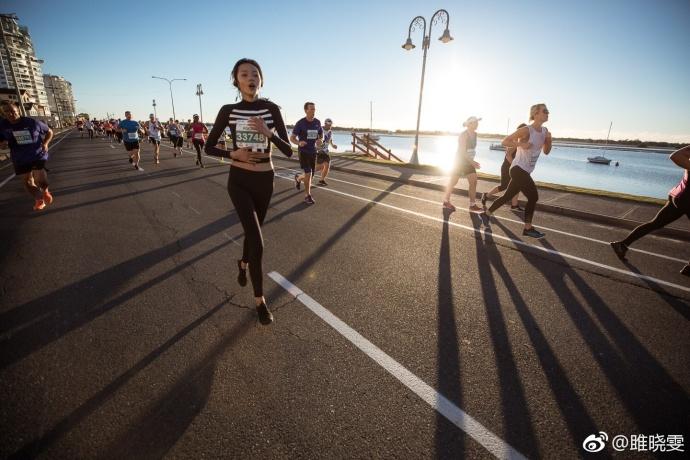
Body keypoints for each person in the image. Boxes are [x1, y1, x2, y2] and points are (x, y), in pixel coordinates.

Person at [205, 58, 293, 325]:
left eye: (255, 73)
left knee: (252, 236)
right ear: (237, 81)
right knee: (257, 240)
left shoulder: (271, 109)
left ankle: (243, 264)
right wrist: (233, 153)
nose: (250, 77)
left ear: (261, 80)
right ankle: (260, 301)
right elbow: (209, 147)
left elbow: (289, 150)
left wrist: (269, 132)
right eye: (245, 74)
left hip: (265, 180)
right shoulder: (228, 110)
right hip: (239, 180)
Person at [610, 145, 690, 276]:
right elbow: (674, 156)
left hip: (678, 196)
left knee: (655, 223)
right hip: (686, 199)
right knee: (655, 223)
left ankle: (622, 245)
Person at [485, 103, 552, 238]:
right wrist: (522, 144)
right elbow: (505, 141)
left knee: (507, 196)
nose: (547, 113)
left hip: (525, 171)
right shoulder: (527, 130)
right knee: (533, 197)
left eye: (548, 111)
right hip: (517, 169)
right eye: (544, 111)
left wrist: (549, 140)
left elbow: (546, 151)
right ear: (535, 114)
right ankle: (528, 228)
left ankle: (485, 214)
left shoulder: (545, 131)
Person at [0, 101, 54, 210]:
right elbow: (1, 140)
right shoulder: (2, 125)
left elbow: (49, 132)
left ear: (18, 110)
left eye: (12, 111)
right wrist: (2, 144)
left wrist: (46, 143)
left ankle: (45, 191)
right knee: (28, 182)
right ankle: (39, 200)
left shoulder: (32, 122)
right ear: (3, 113)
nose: (10, 114)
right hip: (19, 157)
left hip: (37, 154)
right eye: (6, 111)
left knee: (40, 179)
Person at [481, 123, 527, 211]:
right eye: (525, 131)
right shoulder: (514, 142)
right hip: (507, 167)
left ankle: (514, 205)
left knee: (517, 185)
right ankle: (486, 196)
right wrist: (515, 166)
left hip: (514, 168)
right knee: (504, 186)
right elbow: (508, 155)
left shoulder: (520, 142)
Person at [442, 116, 483, 213]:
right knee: (453, 181)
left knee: (473, 181)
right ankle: (446, 201)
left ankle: (472, 205)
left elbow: (471, 150)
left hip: (469, 162)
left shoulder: (475, 134)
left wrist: (472, 161)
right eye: (475, 123)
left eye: (477, 123)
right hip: (460, 161)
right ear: (470, 124)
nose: (477, 124)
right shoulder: (463, 135)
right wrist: (472, 162)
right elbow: (462, 151)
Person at [291, 102, 323, 204]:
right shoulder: (300, 123)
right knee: (308, 173)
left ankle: (298, 178)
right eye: (311, 109)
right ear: (306, 110)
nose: (313, 111)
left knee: (311, 175)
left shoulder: (317, 122)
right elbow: (292, 138)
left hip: (313, 151)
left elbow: (320, 136)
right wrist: (298, 142)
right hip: (303, 151)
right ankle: (307, 196)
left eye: (314, 109)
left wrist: (320, 141)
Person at [316, 117, 337, 185]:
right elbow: (312, 139)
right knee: (320, 167)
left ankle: (322, 180)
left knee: (327, 165)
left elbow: (330, 140)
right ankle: (306, 174)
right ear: (325, 124)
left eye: (331, 125)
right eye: (329, 125)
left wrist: (333, 145)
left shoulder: (330, 132)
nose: (330, 127)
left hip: (325, 151)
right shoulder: (319, 130)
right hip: (319, 151)